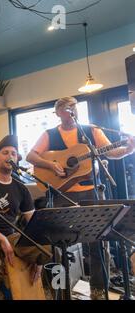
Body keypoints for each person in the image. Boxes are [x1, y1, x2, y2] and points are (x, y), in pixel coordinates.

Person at [26, 96, 135, 299]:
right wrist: (51, 165)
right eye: (66, 109)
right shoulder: (49, 134)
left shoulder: (91, 131)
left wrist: (129, 148)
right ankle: (59, 290)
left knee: (98, 241)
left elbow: (111, 152)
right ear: (58, 113)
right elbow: (31, 156)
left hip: (89, 191)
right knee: (58, 244)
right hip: (61, 193)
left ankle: (98, 290)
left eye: (73, 108)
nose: (70, 112)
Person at [0, 135, 51, 300]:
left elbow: (33, 222)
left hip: (12, 237)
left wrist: (40, 259)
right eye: (5, 152)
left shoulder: (20, 187)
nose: (10, 156)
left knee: (48, 248)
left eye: (13, 153)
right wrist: (1, 239)